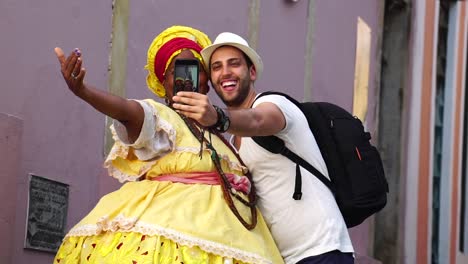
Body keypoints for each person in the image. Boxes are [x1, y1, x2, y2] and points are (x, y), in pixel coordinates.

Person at [53, 26, 284, 264]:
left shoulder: (221, 130)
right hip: (169, 238)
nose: (186, 78)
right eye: (176, 71)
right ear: (164, 83)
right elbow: (127, 110)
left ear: (206, 82)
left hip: (233, 239)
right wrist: (84, 91)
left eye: (195, 69)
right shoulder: (161, 118)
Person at [172, 32, 355, 264]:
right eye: (217, 67)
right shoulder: (231, 140)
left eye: (234, 63)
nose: (225, 72)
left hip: (322, 250)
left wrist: (216, 117)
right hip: (280, 258)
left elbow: (258, 120)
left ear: (252, 72)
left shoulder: (275, 105)